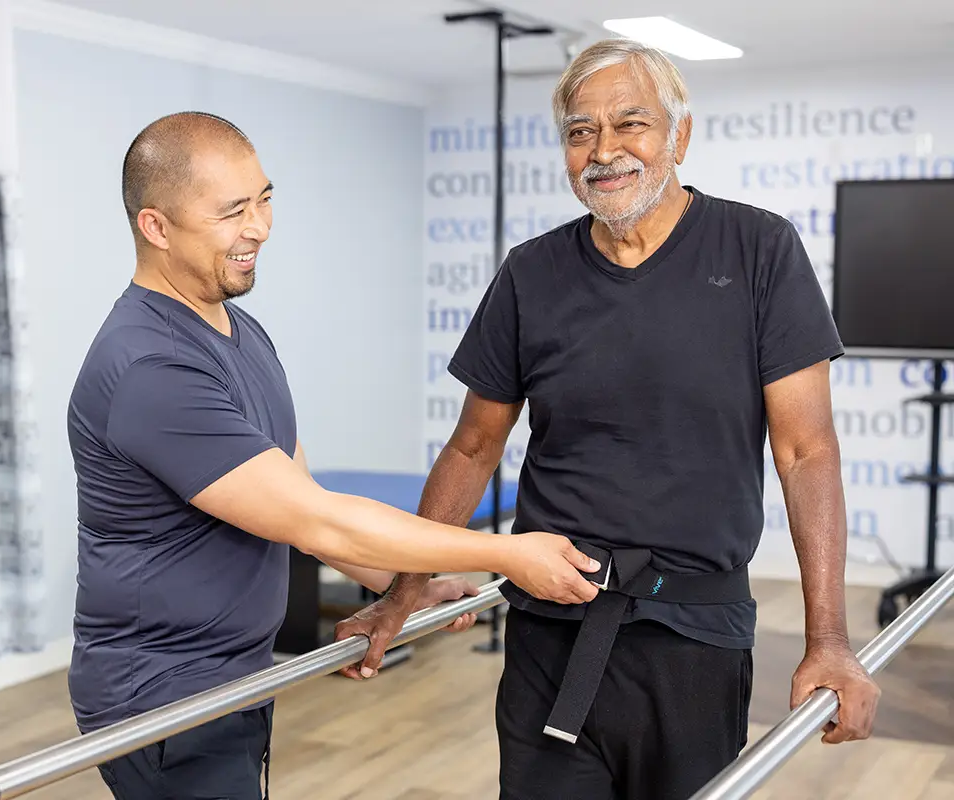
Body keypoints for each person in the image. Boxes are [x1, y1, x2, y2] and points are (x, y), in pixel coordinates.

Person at [334, 39, 881, 799]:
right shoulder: (531, 272)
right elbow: (473, 446)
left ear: (679, 137)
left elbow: (806, 452)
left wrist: (830, 641)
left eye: (631, 124)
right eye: (580, 131)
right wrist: (403, 592)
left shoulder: (759, 249)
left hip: (693, 636)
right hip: (550, 630)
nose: (603, 150)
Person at [65, 111, 607, 800]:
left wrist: (403, 587)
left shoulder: (240, 332)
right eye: (232, 211)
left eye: (264, 199)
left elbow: (301, 497)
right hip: (161, 693)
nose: (260, 227)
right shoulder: (150, 367)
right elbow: (317, 520)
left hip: (233, 675)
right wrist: (507, 554)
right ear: (157, 227)